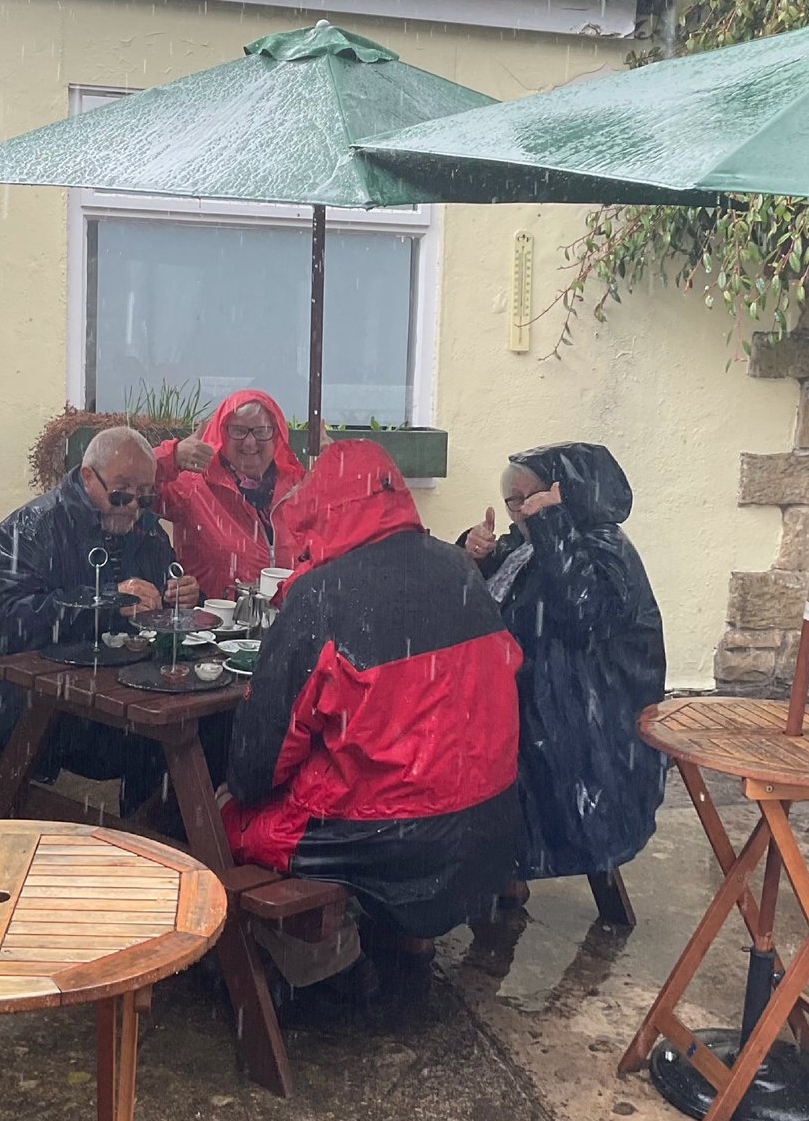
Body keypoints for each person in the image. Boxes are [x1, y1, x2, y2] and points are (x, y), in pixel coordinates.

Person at [218, 439, 522, 987]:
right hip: (491, 821)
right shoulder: (459, 571)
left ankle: (310, 971)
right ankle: (407, 942)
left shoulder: (321, 596)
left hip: (387, 838)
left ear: (322, 507)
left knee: (223, 818)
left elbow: (257, 764)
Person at [460, 441, 667, 893]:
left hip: (585, 728)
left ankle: (500, 871)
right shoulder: (534, 542)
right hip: (531, 704)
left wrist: (551, 523)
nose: (518, 513)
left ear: (566, 493)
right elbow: (512, 592)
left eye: (527, 499)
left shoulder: (605, 547)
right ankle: (497, 869)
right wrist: (477, 553)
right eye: (513, 501)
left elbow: (583, 612)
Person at [0, 427, 200, 808]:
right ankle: (149, 841)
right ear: (88, 475)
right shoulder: (25, 531)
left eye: (144, 495)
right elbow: (6, 624)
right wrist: (108, 599)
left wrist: (181, 597)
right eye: (121, 492)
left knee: (195, 732)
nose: (132, 505)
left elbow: (159, 595)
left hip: (107, 690)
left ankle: (155, 842)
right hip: (22, 705)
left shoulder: (145, 528)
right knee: (166, 740)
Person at [153, 389, 307, 599]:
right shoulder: (193, 485)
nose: (250, 442)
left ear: (277, 435)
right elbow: (130, 481)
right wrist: (172, 456)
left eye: (262, 431)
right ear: (221, 434)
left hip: (290, 625)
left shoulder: (300, 488)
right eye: (238, 430)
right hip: (213, 626)